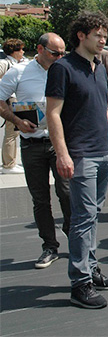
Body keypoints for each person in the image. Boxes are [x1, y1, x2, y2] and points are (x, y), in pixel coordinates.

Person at [45, 11, 108, 309]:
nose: (103, 40)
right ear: (81, 35)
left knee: (92, 216)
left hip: (103, 152)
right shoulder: (62, 68)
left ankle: (90, 269)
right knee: (82, 218)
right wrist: (62, 153)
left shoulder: (100, 68)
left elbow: (102, 109)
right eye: (98, 35)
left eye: (105, 35)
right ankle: (80, 283)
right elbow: (53, 113)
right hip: (80, 155)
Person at [0, 32, 70, 269]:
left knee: (68, 194)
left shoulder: (65, 70)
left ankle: (78, 242)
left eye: (63, 53)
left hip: (59, 144)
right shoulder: (19, 72)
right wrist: (17, 121)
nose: (60, 57)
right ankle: (49, 246)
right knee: (41, 200)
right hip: (32, 145)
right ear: (39, 50)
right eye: (55, 53)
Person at [0, 38, 29, 174]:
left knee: (15, 132)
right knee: (11, 133)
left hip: (16, 100)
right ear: (13, 51)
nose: (22, 52)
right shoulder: (4, 63)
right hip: (9, 100)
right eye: (20, 49)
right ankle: (8, 164)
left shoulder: (19, 63)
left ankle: (10, 162)